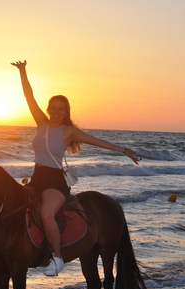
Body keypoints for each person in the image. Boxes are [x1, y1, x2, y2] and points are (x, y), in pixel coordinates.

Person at [11, 60, 139, 276]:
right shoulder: (41, 122)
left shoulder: (68, 131)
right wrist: (23, 72)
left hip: (55, 182)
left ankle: (58, 258)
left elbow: (97, 141)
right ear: (48, 109)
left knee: (45, 212)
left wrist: (123, 149)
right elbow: (29, 97)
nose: (56, 111)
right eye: (53, 108)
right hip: (36, 178)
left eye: (61, 109)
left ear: (66, 111)